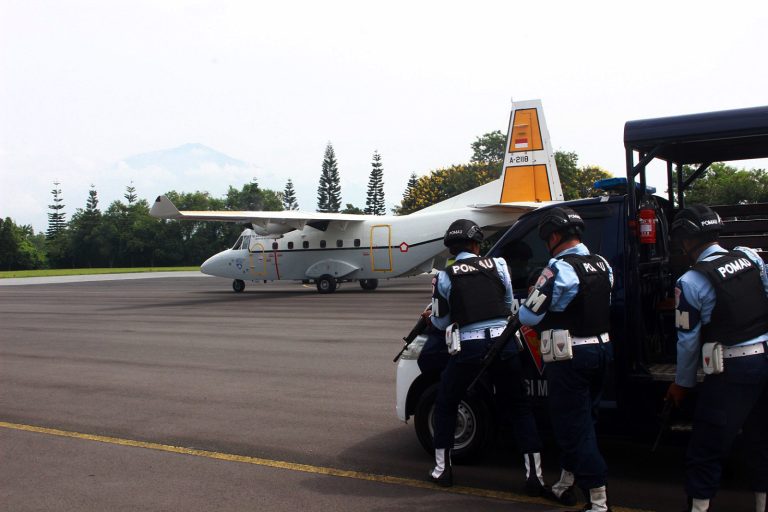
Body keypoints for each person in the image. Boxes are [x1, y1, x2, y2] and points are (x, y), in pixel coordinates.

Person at [425, 218, 550, 497]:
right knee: (519, 407)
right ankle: (535, 476)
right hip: (502, 344)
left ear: (453, 249)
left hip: (468, 348)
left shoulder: (444, 276)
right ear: (476, 243)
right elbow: (507, 304)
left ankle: (442, 470)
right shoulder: (500, 265)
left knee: (446, 402)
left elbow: (441, 321)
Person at [664, 205, 768, 512]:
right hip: (765, 360)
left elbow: (688, 342)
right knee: (761, 441)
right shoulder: (749, 258)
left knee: (706, 448)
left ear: (685, 240)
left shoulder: (690, 282)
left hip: (732, 371)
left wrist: (682, 385)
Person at [519, 206, 614, 512]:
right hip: (602, 350)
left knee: (573, 427)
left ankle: (598, 502)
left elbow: (528, 314)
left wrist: (534, 291)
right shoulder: (601, 264)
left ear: (555, 236)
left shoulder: (557, 269)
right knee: (586, 422)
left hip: (570, 356)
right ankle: (564, 484)